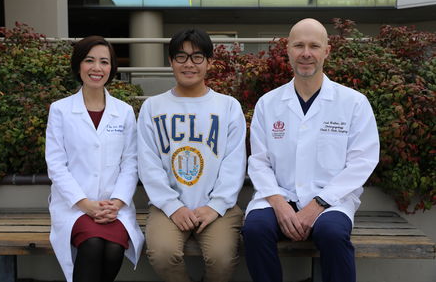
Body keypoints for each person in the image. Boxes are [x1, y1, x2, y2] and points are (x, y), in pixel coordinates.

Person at [241, 18, 380, 282]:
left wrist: (317, 205)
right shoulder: (267, 104)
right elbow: (259, 162)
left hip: (331, 201)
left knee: (332, 234)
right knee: (256, 230)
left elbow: (362, 161)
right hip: (279, 196)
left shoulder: (353, 103)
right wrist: (280, 206)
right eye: (299, 45)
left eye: (314, 46)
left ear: (326, 51)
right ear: (288, 50)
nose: (306, 53)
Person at [137, 28, 246, 282]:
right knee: (162, 253)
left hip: (218, 206)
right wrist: (172, 206)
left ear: (209, 61)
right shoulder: (152, 107)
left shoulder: (228, 106)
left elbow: (234, 162)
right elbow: (148, 162)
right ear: (171, 62)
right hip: (168, 206)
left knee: (222, 257)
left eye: (197, 57)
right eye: (181, 57)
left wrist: (216, 205)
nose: (189, 64)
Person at [45, 36, 144, 282]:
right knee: (92, 245)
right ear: (78, 65)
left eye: (104, 62)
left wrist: (118, 202)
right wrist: (84, 204)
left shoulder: (123, 111)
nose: (97, 68)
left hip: (114, 207)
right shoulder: (60, 110)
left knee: (112, 250)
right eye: (89, 61)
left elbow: (130, 163)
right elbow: (56, 166)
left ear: (111, 69)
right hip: (74, 206)